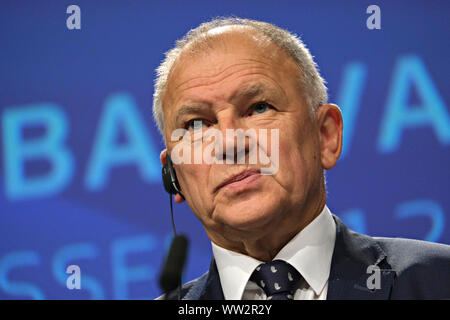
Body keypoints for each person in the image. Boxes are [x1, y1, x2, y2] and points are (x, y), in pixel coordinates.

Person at [153, 17, 450, 300]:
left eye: (259, 108)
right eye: (195, 125)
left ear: (325, 135)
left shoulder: (437, 281)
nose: (229, 143)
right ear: (174, 174)